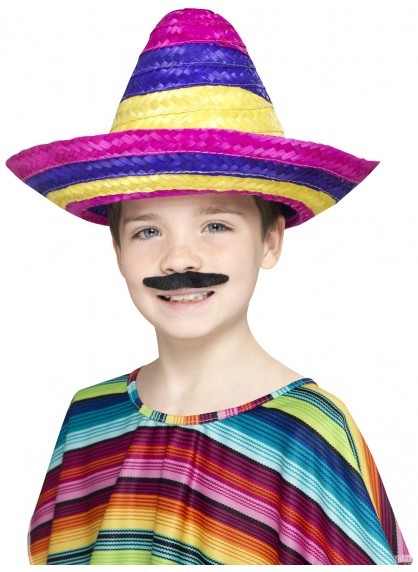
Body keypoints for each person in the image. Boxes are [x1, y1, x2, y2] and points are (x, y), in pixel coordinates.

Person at [6, 7, 412, 566]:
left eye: (216, 225)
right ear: (117, 250)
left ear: (271, 240)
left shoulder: (307, 434)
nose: (180, 258)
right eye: (148, 230)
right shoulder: (88, 419)